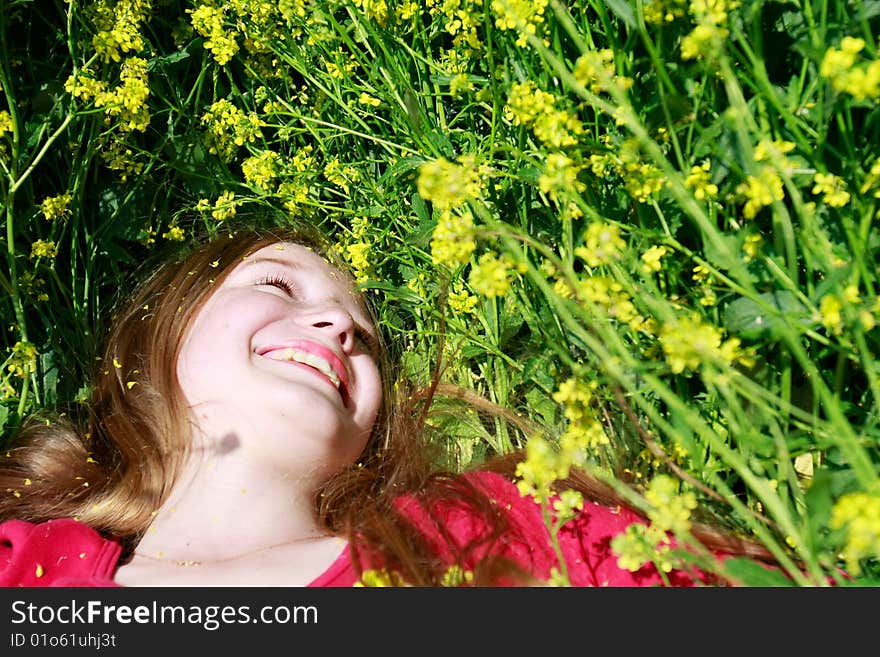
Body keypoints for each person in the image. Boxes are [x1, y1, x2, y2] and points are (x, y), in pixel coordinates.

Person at [0, 221, 774, 587]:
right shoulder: (24, 565)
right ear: (154, 339)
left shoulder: (494, 525)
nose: (340, 325)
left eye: (363, 338)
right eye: (275, 285)